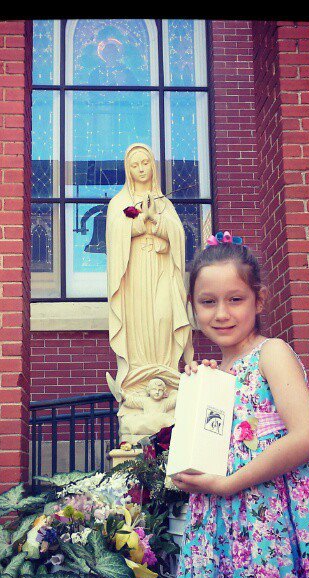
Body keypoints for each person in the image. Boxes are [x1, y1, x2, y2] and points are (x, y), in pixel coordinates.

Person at [171, 232, 309, 578]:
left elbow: (308, 436)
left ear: (259, 300)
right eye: (208, 302)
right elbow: (205, 452)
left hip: (272, 516)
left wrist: (227, 484)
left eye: (236, 299)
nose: (221, 313)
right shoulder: (213, 375)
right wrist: (201, 393)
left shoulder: (271, 353)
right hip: (220, 523)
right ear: (192, 307)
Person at [106, 143, 193, 398]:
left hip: (161, 269)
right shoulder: (119, 202)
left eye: (145, 163)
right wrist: (140, 219)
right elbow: (114, 237)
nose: (141, 169)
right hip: (134, 274)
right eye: (135, 165)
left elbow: (178, 236)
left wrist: (156, 218)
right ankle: (139, 376)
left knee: (164, 316)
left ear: (152, 166)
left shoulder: (164, 203)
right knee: (139, 320)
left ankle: (166, 370)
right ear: (128, 170)